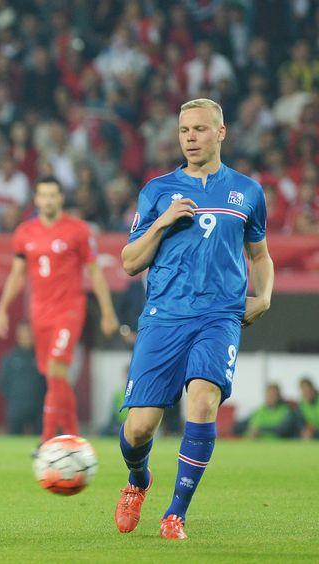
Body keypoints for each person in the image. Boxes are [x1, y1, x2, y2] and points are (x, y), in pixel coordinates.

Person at [114, 99, 274, 541]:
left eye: (200, 129)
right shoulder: (158, 190)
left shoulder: (247, 192)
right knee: (141, 425)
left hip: (219, 316)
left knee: (202, 401)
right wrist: (163, 221)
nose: (190, 137)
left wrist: (264, 296)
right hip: (165, 316)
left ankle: (175, 514)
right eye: (185, 130)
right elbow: (129, 262)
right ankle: (138, 479)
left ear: (221, 133)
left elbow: (260, 256)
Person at [0, 175, 119, 441]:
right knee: (54, 378)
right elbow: (17, 275)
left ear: (61, 198)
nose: (48, 200)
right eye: (43, 195)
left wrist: (108, 313)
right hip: (39, 313)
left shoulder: (79, 230)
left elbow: (95, 273)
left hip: (69, 310)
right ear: (36, 199)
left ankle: (46, 440)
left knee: (56, 370)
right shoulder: (24, 233)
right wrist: (2, 308)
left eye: (53, 194)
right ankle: (72, 437)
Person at [0, 320, 46, 436]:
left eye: (29, 333)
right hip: (16, 407)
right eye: (24, 333)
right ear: (18, 335)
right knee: (14, 439)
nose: (27, 336)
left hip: (39, 407)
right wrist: (15, 398)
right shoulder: (10, 357)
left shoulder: (42, 357)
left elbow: (49, 381)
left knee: (41, 439)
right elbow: (2, 382)